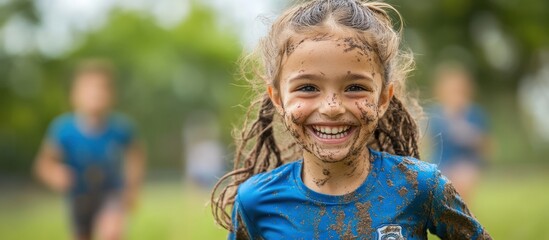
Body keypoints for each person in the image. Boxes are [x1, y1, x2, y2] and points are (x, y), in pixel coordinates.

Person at [211, 0, 492, 239]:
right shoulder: (256, 203)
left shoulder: (421, 187)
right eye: (307, 87)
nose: (332, 107)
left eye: (355, 87)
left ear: (383, 98)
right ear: (277, 98)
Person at [33, 59, 146, 240]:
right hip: (79, 197)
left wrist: (132, 187)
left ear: (112, 95)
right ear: (74, 95)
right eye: (88, 89)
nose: (95, 94)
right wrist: (56, 174)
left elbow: (136, 155)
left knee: (112, 233)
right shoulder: (63, 130)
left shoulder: (121, 128)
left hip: (111, 193)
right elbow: (43, 164)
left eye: (102, 89)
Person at [428, 62, 492, 203]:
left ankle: (462, 217)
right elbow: (425, 142)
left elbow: (487, 147)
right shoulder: (435, 114)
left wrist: (471, 136)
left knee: (462, 179)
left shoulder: (475, 114)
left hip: (466, 163)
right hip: (440, 163)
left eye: (458, 89)